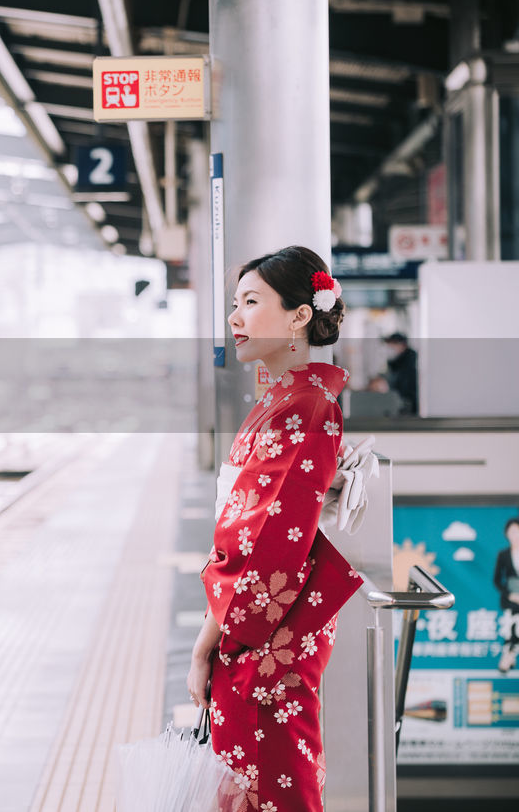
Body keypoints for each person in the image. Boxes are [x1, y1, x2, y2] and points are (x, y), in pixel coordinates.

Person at [187, 246, 364, 812]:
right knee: (262, 783)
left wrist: (205, 643)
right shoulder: (294, 400)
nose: (235, 318)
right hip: (260, 626)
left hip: (264, 634)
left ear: (299, 316)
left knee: (270, 783)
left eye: (251, 302)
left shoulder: (305, 405)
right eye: (234, 304)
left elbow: (263, 541)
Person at [494, 517, 519, 673]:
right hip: (511, 600)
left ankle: (509, 657)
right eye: (512, 532)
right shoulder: (503, 555)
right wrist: (511, 595)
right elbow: (497, 580)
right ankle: (508, 656)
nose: (515, 535)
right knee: (512, 628)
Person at [381, 333, 418, 415]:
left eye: (393, 344)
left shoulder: (410, 365)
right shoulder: (395, 365)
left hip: (408, 413)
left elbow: (408, 393)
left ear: (402, 345)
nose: (390, 348)